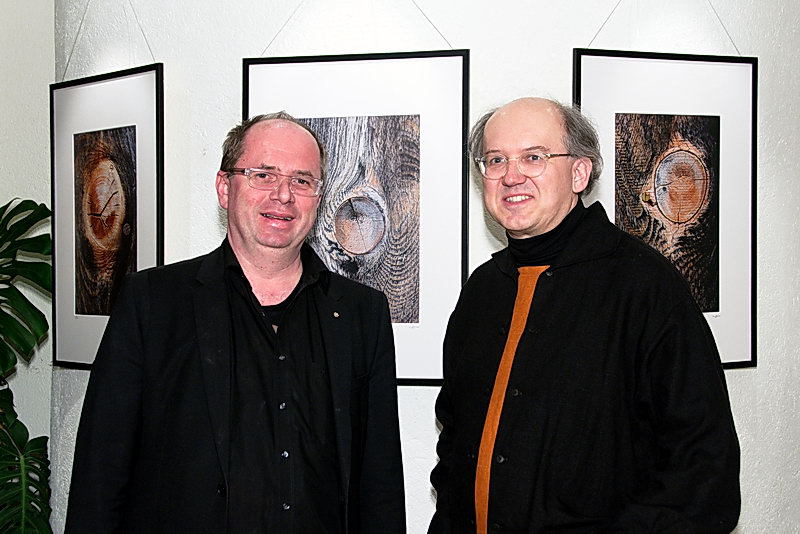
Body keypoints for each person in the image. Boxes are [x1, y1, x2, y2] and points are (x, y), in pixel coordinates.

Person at [66, 113, 406, 533]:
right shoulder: (152, 303)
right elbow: (101, 471)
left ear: (318, 197)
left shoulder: (362, 313)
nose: (283, 195)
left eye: (302, 180)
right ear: (225, 188)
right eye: (263, 175)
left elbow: (380, 480)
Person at [428, 97, 740, 533]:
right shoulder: (482, 290)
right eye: (495, 160)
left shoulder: (645, 286)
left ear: (579, 173)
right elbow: (456, 437)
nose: (511, 176)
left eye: (534, 157)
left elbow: (703, 471)